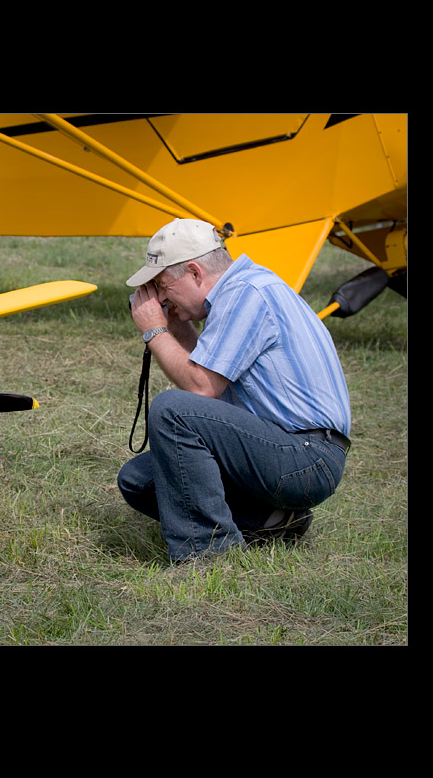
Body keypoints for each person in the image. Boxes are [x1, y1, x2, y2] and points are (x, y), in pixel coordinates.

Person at [117, 218, 351, 563]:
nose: (162, 298)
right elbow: (212, 383)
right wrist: (177, 329)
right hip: (290, 448)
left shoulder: (246, 294)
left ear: (195, 273)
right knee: (138, 480)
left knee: (173, 409)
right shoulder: (247, 287)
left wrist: (154, 331)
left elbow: (201, 389)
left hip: (307, 457)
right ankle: (273, 521)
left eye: (163, 286)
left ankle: (207, 554)